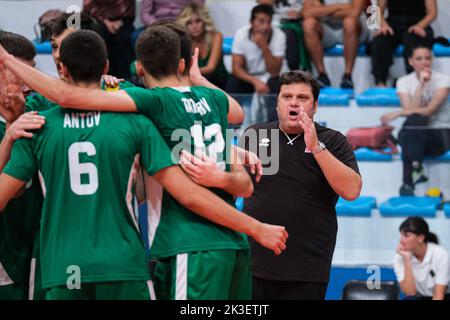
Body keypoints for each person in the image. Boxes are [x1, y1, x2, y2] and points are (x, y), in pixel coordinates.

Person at [0, 26, 289, 300]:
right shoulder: (158, 117)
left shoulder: (39, 124)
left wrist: (7, 70)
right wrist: (233, 164)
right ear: (106, 68)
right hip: (133, 264)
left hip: (69, 266)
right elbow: (236, 121)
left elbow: (63, 96)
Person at [241, 70, 361, 300]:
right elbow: (235, 187)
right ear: (277, 104)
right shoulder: (255, 134)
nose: (293, 102)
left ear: (315, 106)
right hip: (254, 264)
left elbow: (351, 190)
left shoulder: (334, 140)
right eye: (286, 97)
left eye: (302, 97)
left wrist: (315, 146)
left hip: (307, 267)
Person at [0, 31, 45, 300]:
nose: (30, 83)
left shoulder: (39, 109)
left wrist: (105, 81)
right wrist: (9, 138)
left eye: (33, 72)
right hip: (6, 257)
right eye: (21, 72)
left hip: (38, 250)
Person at [380, 45, 450, 196]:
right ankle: (416, 167)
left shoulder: (444, 80)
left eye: (428, 58)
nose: (424, 62)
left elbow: (430, 110)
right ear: (411, 62)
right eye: (419, 59)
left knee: (409, 130)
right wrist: (421, 85)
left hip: (440, 135)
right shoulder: (404, 82)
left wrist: (398, 113)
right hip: (417, 138)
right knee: (412, 124)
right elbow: (410, 109)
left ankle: (407, 182)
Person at [226, 4, 286, 122]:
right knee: (233, 83)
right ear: (251, 22)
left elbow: (274, 71)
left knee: (276, 83)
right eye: (261, 21)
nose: (266, 26)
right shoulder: (241, 34)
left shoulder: (279, 35)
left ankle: (273, 127)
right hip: (249, 77)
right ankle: (233, 127)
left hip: (271, 77)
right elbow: (236, 68)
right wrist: (255, 81)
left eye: (268, 22)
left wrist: (264, 46)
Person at [370, 0, 437, 87]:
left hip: (418, 23)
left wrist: (419, 26)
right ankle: (380, 84)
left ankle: (416, 82)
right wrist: (384, 25)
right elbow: (378, 12)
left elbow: (432, 13)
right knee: (379, 40)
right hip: (393, 25)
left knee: (412, 39)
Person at [302, 0, 367, 88]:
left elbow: (354, 12)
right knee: (308, 24)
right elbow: (307, 13)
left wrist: (322, 10)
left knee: (349, 22)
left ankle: (347, 76)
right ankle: (322, 75)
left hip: (354, 28)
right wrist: (338, 6)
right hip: (327, 29)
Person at [394, 216, 450, 300]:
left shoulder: (441, 254)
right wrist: (407, 260)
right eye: (401, 235)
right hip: (419, 296)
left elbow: (438, 296)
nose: (401, 240)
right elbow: (410, 292)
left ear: (420, 238)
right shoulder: (399, 257)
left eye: (406, 236)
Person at [177, 3, 229, 89]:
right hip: (195, 83)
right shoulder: (183, 41)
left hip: (219, 82)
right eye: (190, 23)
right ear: (185, 25)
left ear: (204, 22)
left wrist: (187, 74)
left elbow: (210, 68)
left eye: (198, 21)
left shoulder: (216, 36)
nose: (194, 26)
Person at [83, 0, 136, 80]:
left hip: (121, 20)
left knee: (125, 37)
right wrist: (106, 21)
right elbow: (88, 7)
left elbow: (128, 8)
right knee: (96, 36)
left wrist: (119, 20)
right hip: (99, 20)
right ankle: (97, 77)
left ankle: (123, 80)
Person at [258, 0, 311, 71]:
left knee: (289, 34)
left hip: (294, 24)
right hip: (273, 23)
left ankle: (295, 70)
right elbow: (263, 3)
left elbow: (309, 10)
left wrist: (301, 13)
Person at [140, 0, 205, 27]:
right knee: (135, 36)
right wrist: (155, 23)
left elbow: (199, 9)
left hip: (184, 24)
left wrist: (187, 22)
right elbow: (145, 13)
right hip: (156, 23)